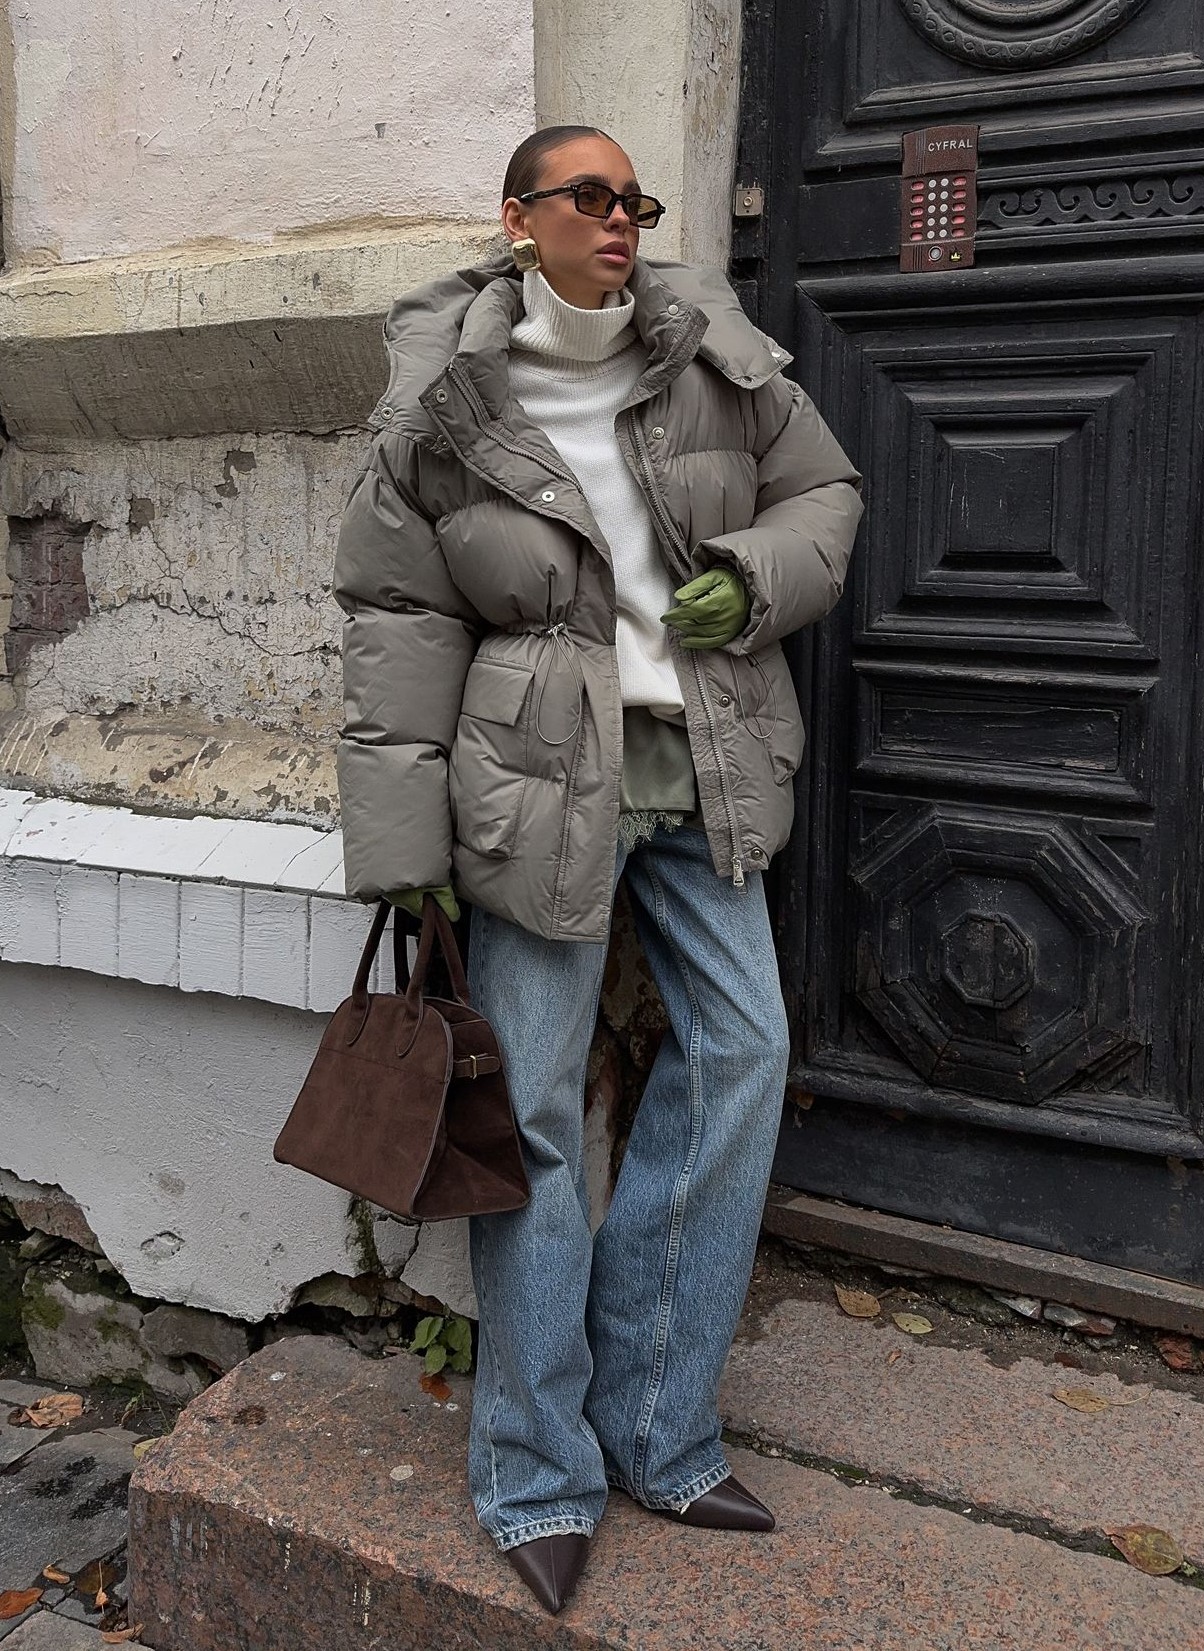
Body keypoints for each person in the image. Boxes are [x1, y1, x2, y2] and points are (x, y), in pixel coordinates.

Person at [333, 125, 863, 1615]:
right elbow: (397, 623)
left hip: (706, 761)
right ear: (520, 219)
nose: (620, 219)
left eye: (634, 199)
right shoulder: (445, 399)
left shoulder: (715, 354)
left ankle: (658, 1427)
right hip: (532, 788)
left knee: (743, 1054)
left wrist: (751, 579)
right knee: (539, 1120)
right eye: (589, 197)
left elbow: (825, 497)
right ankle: (534, 1471)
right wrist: (404, 851)